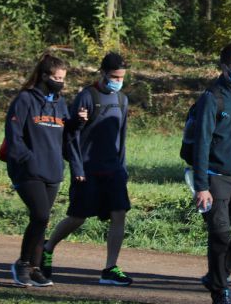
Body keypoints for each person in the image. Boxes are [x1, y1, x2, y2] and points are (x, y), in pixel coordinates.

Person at [41, 52, 133, 286]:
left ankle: (110, 268)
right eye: (114, 76)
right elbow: (71, 136)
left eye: (122, 77)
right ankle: (47, 248)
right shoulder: (87, 96)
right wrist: (77, 167)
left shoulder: (122, 100)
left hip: (113, 170)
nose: (118, 81)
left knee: (118, 214)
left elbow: (121, 138)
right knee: (77, 217)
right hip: (87, 169)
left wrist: (122, 168)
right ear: (102, 73)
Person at [5, 53, 85, 287]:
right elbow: (14, 137)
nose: (60, 82)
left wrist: (77, 122)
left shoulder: (60, 102)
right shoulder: (24, 100)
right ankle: (21, 265)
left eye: (63, 78)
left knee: (41, 221)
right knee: (40, 215)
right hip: (28, 170)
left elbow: (65, 135)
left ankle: (35, 268)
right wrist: (27, 160)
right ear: (43, 76)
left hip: (52, 170)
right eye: (56, 77)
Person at [192, 44, 231, 304]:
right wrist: (201, 186)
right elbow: (202, 143)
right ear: (225, 67)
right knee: (220, 232)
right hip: (215, 177)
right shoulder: (212, 97)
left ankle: (219, 275)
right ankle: (219, 291)